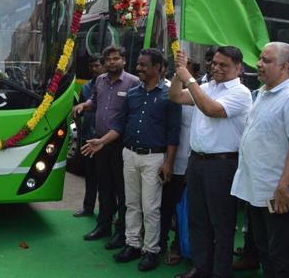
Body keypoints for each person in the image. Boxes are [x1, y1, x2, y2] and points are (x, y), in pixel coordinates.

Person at [83, 48, 181, 271]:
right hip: (129, 154)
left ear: (157, 67)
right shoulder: (134, 94)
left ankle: (151, 251)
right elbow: (120, 125)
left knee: (151, 207)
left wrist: (169, 163)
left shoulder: (169, 96)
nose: (138, 69)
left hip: (154, 158)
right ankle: (132, 245)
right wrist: (102, 141)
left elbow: (174, 133)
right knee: (131, 204)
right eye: (138, 64)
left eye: (143, 65)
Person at [231, 42, 289, 278]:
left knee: (281, 255)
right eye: (260, 59)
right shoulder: (265, 93)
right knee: (266, 250)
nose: (258, 64)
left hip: (277, 195)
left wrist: (283, 187)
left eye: (266, 60)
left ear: (284, 67)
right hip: (257, 191)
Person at [170, 46, 252, 278]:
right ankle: (201, 267)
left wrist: (189, 79)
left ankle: (220, 272)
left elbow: (211, 109)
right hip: (198, 161)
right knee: (198, 220)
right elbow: (176, 96)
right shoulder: (207, 87)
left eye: (223, 64)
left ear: (238, 68)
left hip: (222, 165)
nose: (216, 67)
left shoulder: (241, 92)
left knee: (222, 224)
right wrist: (179, 73)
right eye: (214, 63)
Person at [72, 45, 140, 249]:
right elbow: (95, 102)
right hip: (99, 142)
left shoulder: (133, 82)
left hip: (120, 144)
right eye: (108, 59)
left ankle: (121, 233)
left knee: (122, 190)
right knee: (104, 186)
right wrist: (84, 105)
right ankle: (103, 227)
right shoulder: (100, 81)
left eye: (115, 59)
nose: (111, 62)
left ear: (124, 60)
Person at [160, 57, 199, 266]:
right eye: (178, 70)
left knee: (183, 208)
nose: (182, 74)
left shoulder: (198, 98)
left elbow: (198, 134)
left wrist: (188, 168)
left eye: (186, 71)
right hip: (168, 161)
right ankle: (159, 242)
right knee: (165, 205)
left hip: (186, 163)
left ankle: (179, 247)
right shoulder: (171, 95)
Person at [74, 54, 105, 218]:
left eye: (97, 66)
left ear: (104, 66)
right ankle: (88, 207)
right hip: (88, 137)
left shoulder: (110, 87)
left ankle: (108, 211)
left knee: (106, 178)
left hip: (104, 139)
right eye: (91, 66)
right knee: (90, 175)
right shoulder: (85, 87)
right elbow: (80, 109)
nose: (94, 69)